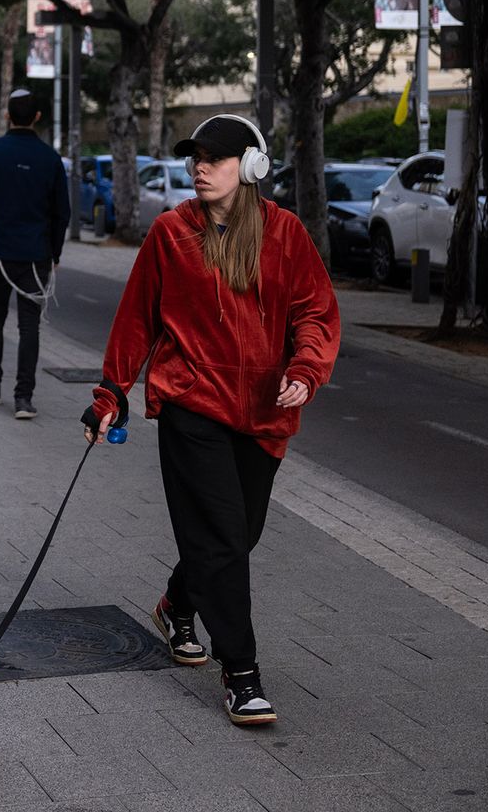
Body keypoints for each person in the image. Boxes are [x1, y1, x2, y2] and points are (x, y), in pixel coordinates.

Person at [84, 113, 339, 729]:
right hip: (191, 403)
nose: (200, 167)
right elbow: (137, 320)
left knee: (238, 535)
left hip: (263, 413)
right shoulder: (171, 233)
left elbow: (315, 311)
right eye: (195, 157)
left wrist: (305, 369)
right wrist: (110, 393)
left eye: (215, 158)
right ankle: (243, 674)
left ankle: (176, 604)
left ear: (251, 167)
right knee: (224, 539)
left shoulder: (285, 234)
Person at [0, 91, 69, 418]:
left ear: (8, 115)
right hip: (36, 254)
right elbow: (61, 212)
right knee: (30, 326)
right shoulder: (50, 158)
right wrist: (55, 252)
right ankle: (24, 397)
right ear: (37, 116)